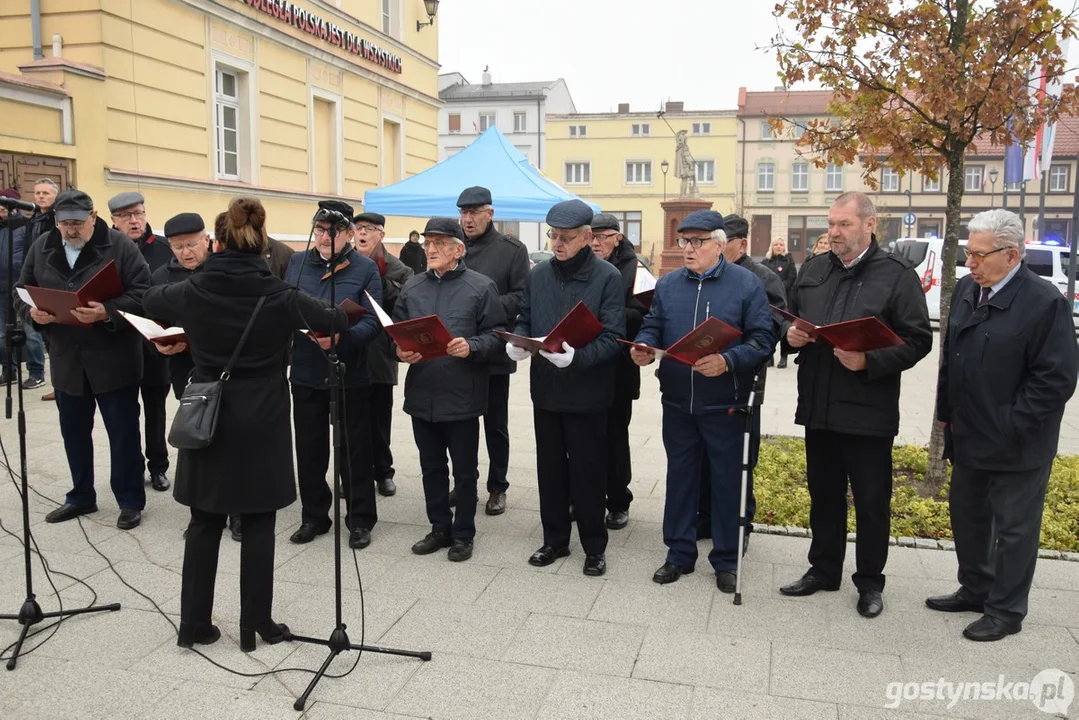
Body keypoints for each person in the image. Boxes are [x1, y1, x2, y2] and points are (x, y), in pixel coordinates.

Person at [144, 197, 348, 651]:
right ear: (262, 243)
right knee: (257, 520)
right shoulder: (280, 294)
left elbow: (151, 297)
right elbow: (333, 318)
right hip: (262, 413)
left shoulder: (193, 288)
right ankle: (257, 623)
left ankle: (193, 625)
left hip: (208, 411)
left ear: (217, 242)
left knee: (204, 520)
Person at [778, 192, 931, 618]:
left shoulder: (896, 276)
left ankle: (869, 583)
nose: (834, 232)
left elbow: (919, 340)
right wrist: (789, 337)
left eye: (843, 224)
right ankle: (823, 570)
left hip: (868, 411)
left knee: (870, 501)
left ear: (869, 225)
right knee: (823, 495)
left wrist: (870, 360)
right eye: (831, 223)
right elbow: (788, 319)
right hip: (819, 406)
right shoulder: (813, 269)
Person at [929, 209, 1078, 642]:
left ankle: (1007, 610)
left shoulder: (1044, 302)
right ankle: (975, 589)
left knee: (1014, 530)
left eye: (978, 255)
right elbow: (951, 358)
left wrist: (1012, 422)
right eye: (966, 253)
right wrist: (946, 412)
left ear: (1012, 255)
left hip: (1018, 442)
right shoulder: (964, 292)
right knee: (969, 517)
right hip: (968, 432)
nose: (969, 263)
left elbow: (1056, 379)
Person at [631, 210, 774, 592]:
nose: (688, 249)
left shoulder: (746, 285)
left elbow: (762, 340)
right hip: (677, 400)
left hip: (724, 402)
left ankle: (727, 560)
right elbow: (654, 324)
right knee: (681, 479)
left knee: (727, 482)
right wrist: (645, 346)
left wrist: (728, 361)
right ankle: (678, 553)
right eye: (684, 241)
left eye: (698, 242)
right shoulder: (668, 284)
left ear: (720, 244)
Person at [14, 190, 151, 529]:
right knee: (74, 433)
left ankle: (130, 499)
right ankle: (80, 496)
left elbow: (144, 294)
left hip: (113, 357)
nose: (71, 231)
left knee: (123, 434)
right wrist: (32, 313)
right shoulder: (43, 245)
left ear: (92, 217)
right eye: (64, 225)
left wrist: (107, 311)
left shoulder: (120, 245)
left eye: (77, 223)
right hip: (66, 360)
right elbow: (21, 290)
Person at [508, 199, 625, 576]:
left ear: (587, 237)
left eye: (566, 237)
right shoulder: (539, 274)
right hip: (546, 390)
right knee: (551, 469)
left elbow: (613, 338)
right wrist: (519, 342)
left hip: (588, 393)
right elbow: (525, 317)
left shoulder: (607, 277)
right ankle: (554, 540)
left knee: (588, 473)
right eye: (553, 235)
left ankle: (594, 546)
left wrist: (578, 358)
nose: (557, 243)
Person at [394, 217, 506, 562]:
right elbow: (395, 332)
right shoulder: (412, 287)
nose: (430, 249)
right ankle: (439, 527)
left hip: (462, 394)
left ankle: (463, 533)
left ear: (458, 250)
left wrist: (472, 346)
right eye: (428, 243)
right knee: (431, 467)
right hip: (422, 393)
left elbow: (497, 334)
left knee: (464, 469)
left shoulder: (481, 287)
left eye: (440, 244)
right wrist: (398, 351)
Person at [286, 201, 383, 551]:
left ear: (349, 233)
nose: (325, 237)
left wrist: (344, 337)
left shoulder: (366, 268)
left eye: (334, 231)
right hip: (307, 370)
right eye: (320, 230)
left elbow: (374, 322)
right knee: (309, 448)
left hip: (349, 370)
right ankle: (314, 516)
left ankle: (359, 520)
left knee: (354, 449)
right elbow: (286, 305)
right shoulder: (297, 263)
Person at [696, 214, 789, 547]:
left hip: (743, 384)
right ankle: (704, 518)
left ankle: (740, 524)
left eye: (722, 243)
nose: (715, 250)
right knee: (704, 458)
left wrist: (733, 346)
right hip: (702, 381)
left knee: (740, 460)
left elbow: (774, 326)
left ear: (739, 244)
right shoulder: (703, 275)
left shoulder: (761, 277)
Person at [455, 186, 530, 515]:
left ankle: (497, 486)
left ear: (490, 214)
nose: (468, 219)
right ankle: (463, 483)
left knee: (495, 423)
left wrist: (482, 305)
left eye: (474, 212)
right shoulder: (453, 246)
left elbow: (522, 296)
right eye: (464, 213)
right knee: (461, 422)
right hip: (459, 349)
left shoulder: (511, 250)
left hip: (495, 349)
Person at [109, 191, 174, 493]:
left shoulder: (163, 248)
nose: (134, 221)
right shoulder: (106, 249)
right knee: (124, 411)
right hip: (118, 343)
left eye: (138, 213)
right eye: (126, 216)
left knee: (155, 409)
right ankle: (132, 466)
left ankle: (158, 466)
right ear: (114, 220)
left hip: (153, 345)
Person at [589, 212, 645, 530]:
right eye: (591, 236)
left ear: (617, 238)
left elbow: (642, 316)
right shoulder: (583, 265)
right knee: (585, 438)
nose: (595, 243)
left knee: (614, 437)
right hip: (585, 365)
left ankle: (618, 500)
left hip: (619, 368)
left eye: (602, 237)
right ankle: (586, 497)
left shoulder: (636, 270)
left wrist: (604, 315)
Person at [354, 211, 413, 497]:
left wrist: (376, 277)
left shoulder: (397, 267)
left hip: (379, 355)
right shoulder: (344, 261)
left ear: (381, 235)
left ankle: (383, 472)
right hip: (349, 350)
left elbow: (404, 302)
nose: (362, 233)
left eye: (370, 228)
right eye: (359, 228)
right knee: (352, 421)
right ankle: (355, 473)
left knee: (379, 420)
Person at [23, 179, 56, 394]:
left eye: (45, 193)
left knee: (54, 336)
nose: (41, 196)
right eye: (37, 193)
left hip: (53, 278)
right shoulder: (33, 219)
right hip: (34, 278)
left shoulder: (56, 219)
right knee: (42, 331)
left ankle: (58, 383)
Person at [0, 190, 29, 384]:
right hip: (1, 287)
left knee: (29, 331)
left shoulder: (25, 226)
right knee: (2, 333)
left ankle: (36, 372)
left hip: (20, 286)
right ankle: (8, 371)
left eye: (3, 207)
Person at [763, 237, 797, 368]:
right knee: (769, 328)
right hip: (769, 301)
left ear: (784, 247)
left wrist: (779, 287)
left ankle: (783, 357)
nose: (778, 246)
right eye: (776, 244)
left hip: (785, 300)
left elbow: (792, 277)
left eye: (781, 244)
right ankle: (769, 356)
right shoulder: (766, 262)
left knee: (784, 329)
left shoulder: (789, 260)